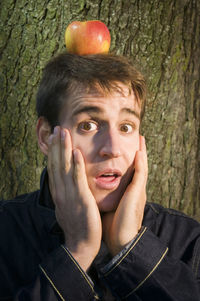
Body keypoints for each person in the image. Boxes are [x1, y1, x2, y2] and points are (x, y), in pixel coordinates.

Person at [0, 53, 199, 301]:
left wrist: (131, 248)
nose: (112, 148)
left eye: (126, 127)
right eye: (89, 125)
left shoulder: (189, 241)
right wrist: (78, 252)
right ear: (45, 136)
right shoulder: (5, 232)